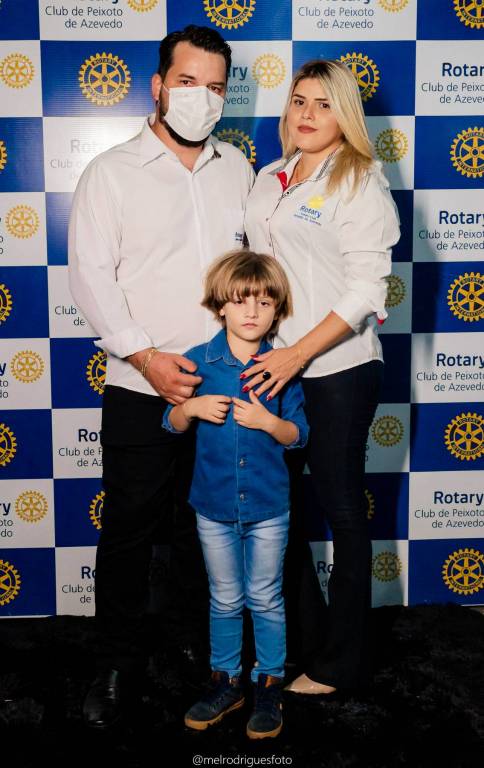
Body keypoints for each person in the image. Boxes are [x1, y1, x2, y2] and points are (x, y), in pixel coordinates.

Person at [68, 25, 255, 728]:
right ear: (157, 86)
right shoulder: (111, 172)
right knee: (128, 530)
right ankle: (116, 663)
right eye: (187, 82)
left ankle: (191, 646)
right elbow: (91, 278)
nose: (202, 97)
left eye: (216, 87)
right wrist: (146, 358)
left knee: (201, 528)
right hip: (140, 387)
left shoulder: (237, 170)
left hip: (221, 389)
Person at [243, 59, 400, 694]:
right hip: (272, 366)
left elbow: (367, 290)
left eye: (324, 104)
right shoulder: (268, 177)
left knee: (342, 509)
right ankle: (299, 643)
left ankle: (341, 663)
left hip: (338, 368)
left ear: (345, 115)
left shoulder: (359, 178)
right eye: (299, 100)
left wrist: (296, 355)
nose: (307, 114)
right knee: (272, 509)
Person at [163, 250, 308, 739]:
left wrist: (268, 422)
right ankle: (225, 683)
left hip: (269, 507)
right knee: (224, 599)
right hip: (213, 507)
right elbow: (170, 422)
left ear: (277, 309)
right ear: (220, 305)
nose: (252, 312)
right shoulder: (199, 362)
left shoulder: (282, 366)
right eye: (241, 301)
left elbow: (299, 435)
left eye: (264, 303)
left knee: (265, 597)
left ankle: (269, 683)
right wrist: (192, 408)